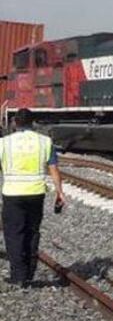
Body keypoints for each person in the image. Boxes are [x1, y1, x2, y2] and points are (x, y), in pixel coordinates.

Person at [1, 109, 65, 288]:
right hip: (36, 193)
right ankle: (29, 272)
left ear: (14, 123)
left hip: (12, 194)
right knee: (32, 231)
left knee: (14, 234)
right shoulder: (44, 141)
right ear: (33, 123)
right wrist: (60, 192)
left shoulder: (4, 143)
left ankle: (18, 275)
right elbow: (53, 168)